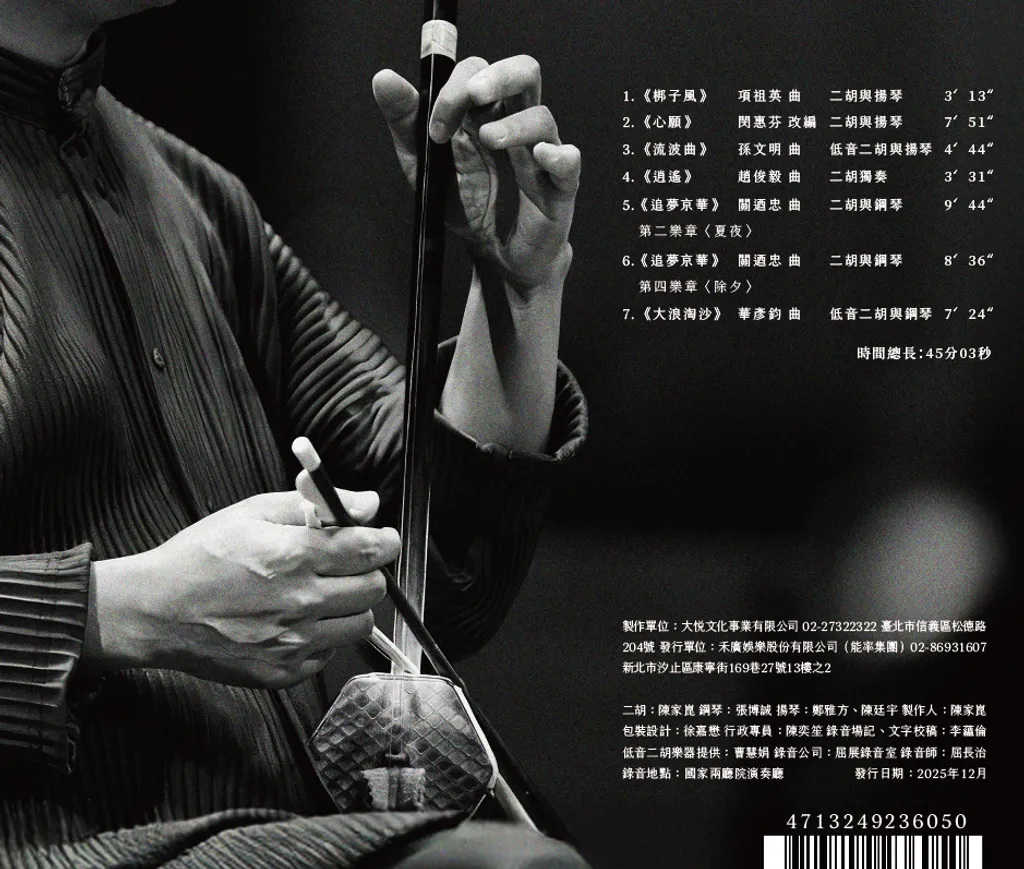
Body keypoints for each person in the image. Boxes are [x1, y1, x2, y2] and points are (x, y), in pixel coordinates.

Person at [0, 1, 588, 867]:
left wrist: (516, 290)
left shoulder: (194, 195)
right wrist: (124, 610)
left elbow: (436, 578)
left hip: (292, 827)